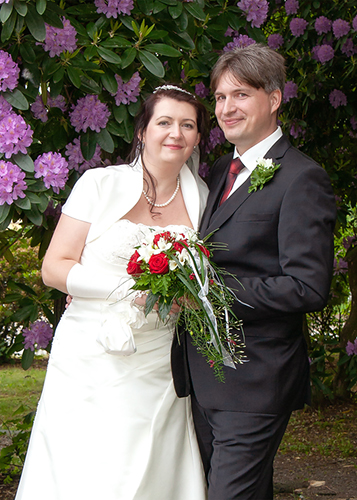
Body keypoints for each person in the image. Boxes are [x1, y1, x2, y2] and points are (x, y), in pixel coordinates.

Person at [15, 85, 210, 500]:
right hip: (89, 353)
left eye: (187, 125)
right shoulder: (98, 184)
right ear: (142, 130)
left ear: (196, 139)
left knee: (148, 467)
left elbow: (203, 279)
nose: (175, 132)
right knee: (87, 465)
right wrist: (130, 291)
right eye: (164, 122)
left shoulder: (203, 198)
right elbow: (54, 267)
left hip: (159, 359)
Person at [171, 44, 337, 499]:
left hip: (255, 381)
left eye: (240, 95)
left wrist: (207, 293)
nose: (226, 108)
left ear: (275, 98)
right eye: (221, 97)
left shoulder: (302, 178)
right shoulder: (222, 169)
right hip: (204, 378)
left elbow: (306, 287)